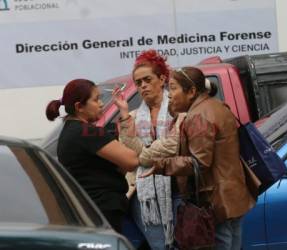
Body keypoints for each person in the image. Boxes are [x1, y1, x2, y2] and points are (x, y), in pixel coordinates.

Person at [140, 67, 256, 250]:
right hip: (232, 194)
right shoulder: (217, 106)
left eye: (173, 88)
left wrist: (162, 165)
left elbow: (199, 162)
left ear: (192, 91)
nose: (169, 95)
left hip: (215, 199)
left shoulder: (198, 116)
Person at [45, 79, 139, 233]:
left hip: (90, 210)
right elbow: (131, 161)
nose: (101, 104)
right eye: (96, 100)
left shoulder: (70, 130)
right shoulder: (87, 133)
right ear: (79, 107)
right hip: (102, 211)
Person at [117, 49, 174, 249]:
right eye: (139, 82)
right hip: (144, 195)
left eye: (147, 80)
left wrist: (143, 156)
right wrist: (124, 114)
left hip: (177, 188)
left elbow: (172, 146)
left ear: (162, 78)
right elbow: (129, 151)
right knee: (159, 246)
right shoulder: (133, 115)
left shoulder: (177, 108)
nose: (143, 86)